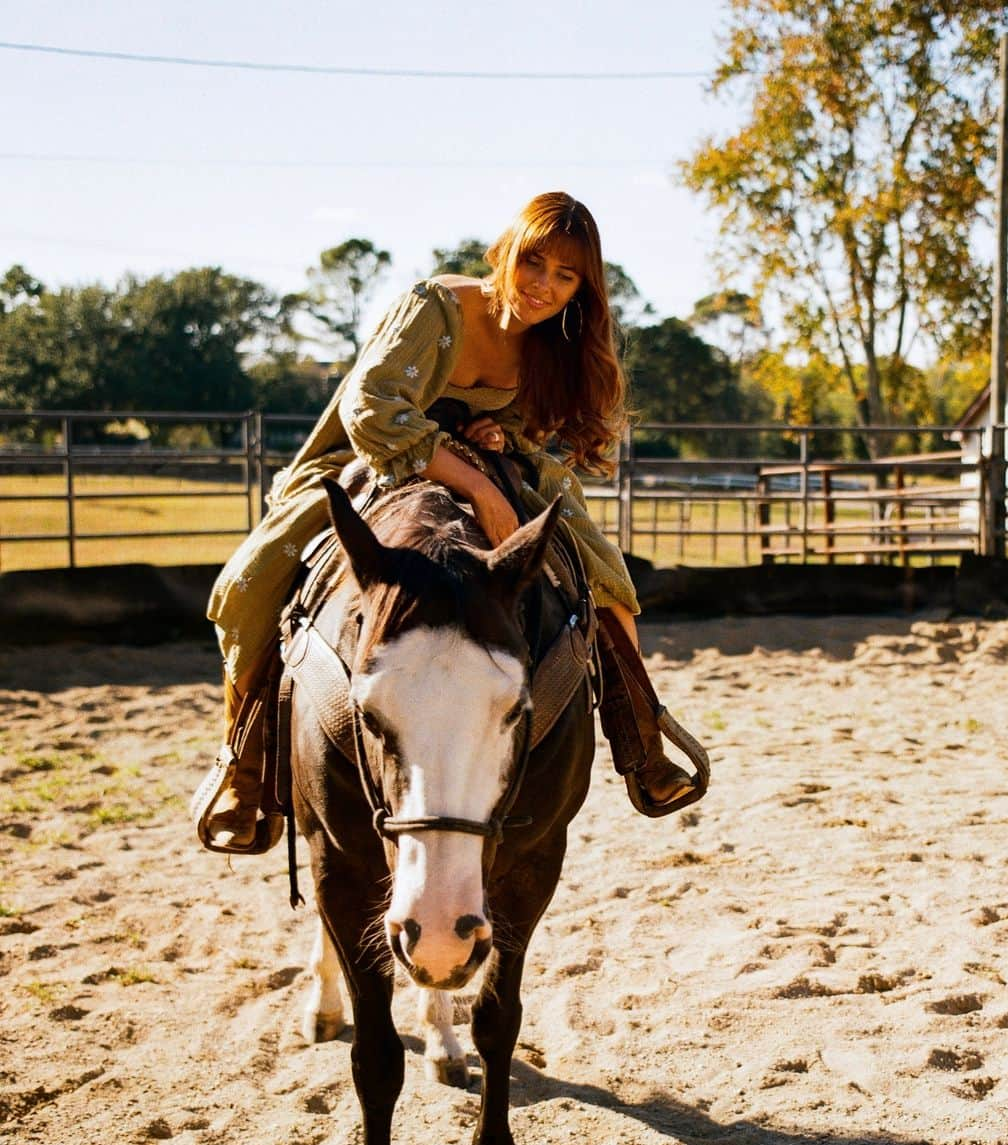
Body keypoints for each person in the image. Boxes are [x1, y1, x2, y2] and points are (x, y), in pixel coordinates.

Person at [193, 191, 704, 853]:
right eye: (535, 262)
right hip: (380, 453)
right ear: (508, 252)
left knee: (606, 581)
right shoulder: (439, 304)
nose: (544, 285)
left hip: (480, 457)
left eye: (566, 275)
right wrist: (474, 486)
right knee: (251, 581)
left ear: (583, 287)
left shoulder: (556, 343)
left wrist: (495, 436)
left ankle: (641, 743)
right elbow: (372, 406)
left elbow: (539, 430)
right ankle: (245, 764)